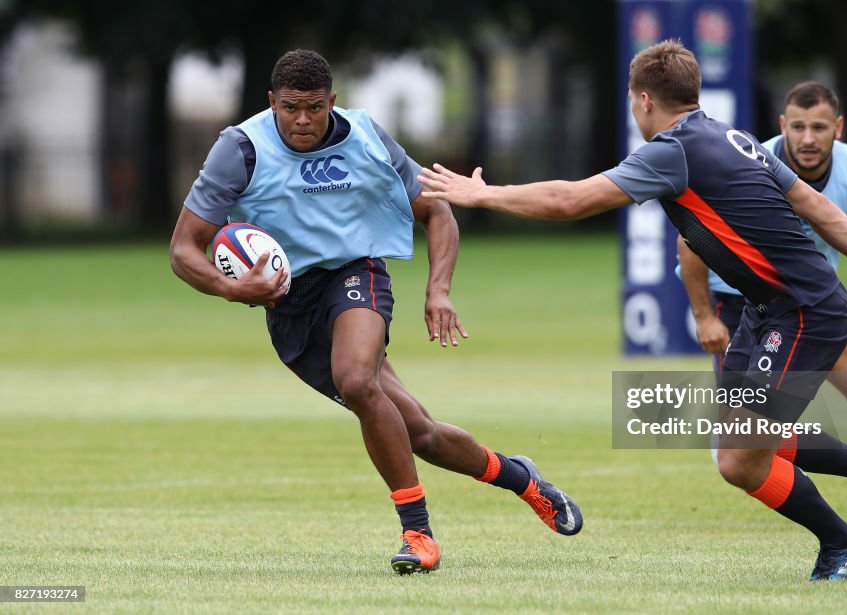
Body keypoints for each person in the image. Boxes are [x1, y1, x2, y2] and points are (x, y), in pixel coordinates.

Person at [419, 40, 847, 581]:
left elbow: (568, 200)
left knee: (740, 458)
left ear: (643, 100)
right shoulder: (732, 136)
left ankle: (843, 541)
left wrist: (484, 195)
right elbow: (816, 205)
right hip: (769, 310)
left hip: (802, 312)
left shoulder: (672, 151)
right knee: (749, 446)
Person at [169, 49, 582, 576]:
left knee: (358, 379)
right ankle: (522, 478)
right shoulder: (240, 149)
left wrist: (438, 290)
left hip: (354, 274)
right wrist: (234, 289)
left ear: (332, 102)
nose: (301, 120)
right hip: (288, 304)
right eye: (290, 108)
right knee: (421, 434)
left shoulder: (365, 137)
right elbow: (183, 251)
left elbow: (436, 208)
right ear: (271, 102)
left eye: (314, 108)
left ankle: (418, 533)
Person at [676, 81, 847, 530]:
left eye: (819, 127)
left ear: (838, 129)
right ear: (782, 125)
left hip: (812, 303)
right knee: (743, 435)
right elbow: (690, 240)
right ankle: (822, 516)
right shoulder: (744, 160)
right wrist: (705, 315)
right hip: (739, 304)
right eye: (798, 127)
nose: (807, 138)